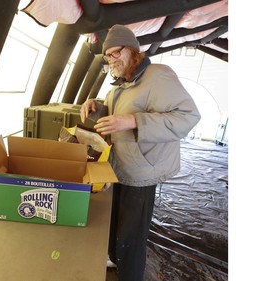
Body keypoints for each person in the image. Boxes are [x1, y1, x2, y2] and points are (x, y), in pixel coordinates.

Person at [80, 24, 201, 281]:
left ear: (133, 50)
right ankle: (118, 263)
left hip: (143, 170)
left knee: (131, 238)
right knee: (117, 229)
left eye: (117, 52)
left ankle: (130, 275)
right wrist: (98, 107)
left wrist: (134, 121)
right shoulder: (122, 83)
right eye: (108, 55)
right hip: (120, 166)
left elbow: (187, 117)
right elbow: (118, 114)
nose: (112, 59)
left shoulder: (158, 76)